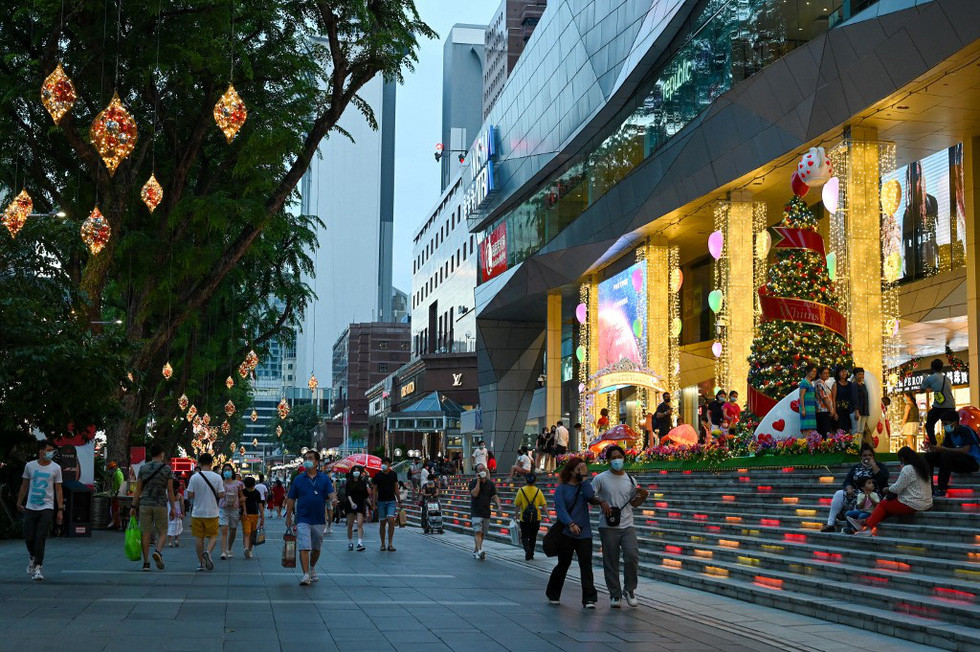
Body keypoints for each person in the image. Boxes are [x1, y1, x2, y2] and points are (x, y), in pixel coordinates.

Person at [593, 446, 646, 608]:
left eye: (619, 457)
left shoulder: (631, 480)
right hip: (608, 526)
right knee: (611, 561)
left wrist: (642, 497)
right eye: (613, 457)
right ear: (608, 460)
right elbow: (590, 495)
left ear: (624, 458)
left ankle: (629, 589)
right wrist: (602, 502)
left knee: (632, 555)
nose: (617, 460)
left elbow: (633, 503)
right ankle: (615, 594)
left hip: (627, 524)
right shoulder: (601, 478)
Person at [547, 457, 598, 608]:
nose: (580, 472)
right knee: (563, 563)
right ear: (570, 471)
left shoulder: (583, 487)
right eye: (578, 470)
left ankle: (589, 598)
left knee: (586, 564)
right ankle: (553, 593)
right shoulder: (561, 489)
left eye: (582, 469)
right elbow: (560, 509)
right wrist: (570, 523)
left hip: (584, 533)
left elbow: (590, 496)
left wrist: (584, 478)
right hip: (566, 532)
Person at [285, 449, 337, 585]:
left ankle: (312, 567)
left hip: (319, 519)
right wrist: (288, 516)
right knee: (304, 546)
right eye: (306, 458)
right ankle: (305, 574)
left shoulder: (324, 478)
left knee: (316, 548)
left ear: (317, 462)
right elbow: (291, 499)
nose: (307, 461)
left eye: (310, 458)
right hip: (302, 518)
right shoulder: (298, 479)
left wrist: (334, 500)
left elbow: (331, 493)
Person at [854, 446, 932, 536]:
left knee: (884, 504)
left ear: (902, 459)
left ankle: (867, 528)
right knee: (887, 506)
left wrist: (887, 489)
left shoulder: (908, 469)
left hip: (914, 503)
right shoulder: (921, 468)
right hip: (926, 503)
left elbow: (897, 488)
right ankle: (865, 521)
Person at [17, 440, 64, 581]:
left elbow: (58, 489)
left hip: (47, 507)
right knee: (29, 535)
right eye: (48, 450)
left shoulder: (56, 468)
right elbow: (24, 485)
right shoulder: (30, 466)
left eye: (52, 451)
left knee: (41, 537)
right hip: (31, 506)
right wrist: (19, 502)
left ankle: (38, 567)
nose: (50, 453)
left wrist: (60, 509)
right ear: (41, 451)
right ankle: (32, 556)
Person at [821, 444, 889, 532]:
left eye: (870, 455)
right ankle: (830, 524)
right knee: (839, 494)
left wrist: (874, 465)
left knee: (861, 504)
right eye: (864, 455)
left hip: (873, 495)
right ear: (861, 457)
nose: (867, 457)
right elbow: (847, 480)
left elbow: (883, 481)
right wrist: (849, 487)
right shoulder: (856, 468)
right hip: (857, 494)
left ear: (873, 456)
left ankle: (855, 525)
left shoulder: (879, 466)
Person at [132, 444, 177, 571]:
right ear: (162, 454)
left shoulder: (143, 468)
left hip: (145, 504)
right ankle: (157, 551)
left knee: (145, 533)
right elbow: (170, 490)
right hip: (160, 504)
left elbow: (138, 489)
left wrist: (133, 506)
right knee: (163, 531)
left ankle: (146, 563)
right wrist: (173, 508)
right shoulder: (167, 469)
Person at [924, 411, 980, 496]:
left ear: (955, 422)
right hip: (958, 461)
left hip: (972, 462)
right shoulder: (949, 433)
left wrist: (943, 449)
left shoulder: (966, 430)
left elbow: (965, 450)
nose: (944, 426)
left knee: (946, 455)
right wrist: (934, 449)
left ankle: (942, 488)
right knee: (929, 457)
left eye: (946, 423)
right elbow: (946, 448)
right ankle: (929, 488)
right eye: (943, 424)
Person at [186, 453, 225, 571]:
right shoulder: (217, 477)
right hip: (212, 512)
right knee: (213, 536)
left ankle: (201, 563)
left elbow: (190, 495)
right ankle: (208, 552)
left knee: (199, 538)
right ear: (211, 463)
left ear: (200, 463)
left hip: (197, 512)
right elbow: (221, 494)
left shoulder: (194, 477)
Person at [469, 463, 502, 560]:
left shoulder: (490, 484)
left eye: (484, 469)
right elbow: (474, 494)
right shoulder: (473, 483)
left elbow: (495, 496)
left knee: (482, 533)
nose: (482, 471)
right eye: (480, 469)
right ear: (476, 472)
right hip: (476, 511)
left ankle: (476, 550)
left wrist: (499, 506)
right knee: (478, 531)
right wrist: (478, 481)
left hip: (486, 512)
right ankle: (479, 550)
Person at [920, 358, 957, 445]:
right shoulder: (947, 378)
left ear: (931, 368)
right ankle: (950, 444)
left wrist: (925, 379)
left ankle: (933, 444)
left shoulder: (930, 378)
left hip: (939, 407)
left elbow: (921, 390)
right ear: (941, 368)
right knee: (949, 427)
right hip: (951, 405)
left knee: (929, 425)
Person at [514, 473, 546, 560]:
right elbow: (543, 504)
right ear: (535, 481)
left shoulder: (521, 490)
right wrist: (548, 516)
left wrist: (516, 515)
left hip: (524, 518)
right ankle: (531, 553)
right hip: (536, 518)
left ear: (525, 480)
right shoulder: (538, 491)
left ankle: (527, 550)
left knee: (524, 536)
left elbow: (517, 504)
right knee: (533, 537)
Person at [372, 457, 401, 552]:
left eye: (386, 463)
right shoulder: (378, 475)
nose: (384, 465)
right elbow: (374, 490)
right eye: (383, 463)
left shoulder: (393, 474)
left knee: (391, 519)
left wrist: (399, 500)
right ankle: (382, 544)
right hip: (381, 501)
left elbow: (396, 487)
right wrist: (373, 503)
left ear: (389, 465)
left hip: (391, 501)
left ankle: (390, 543)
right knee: (382, 523)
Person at [218, 464, 244, 560]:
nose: (227, 471)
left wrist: (243, 509)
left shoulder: (238, 483)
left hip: (235, 509)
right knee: (224, 529)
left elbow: (241, 496)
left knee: (233, 530)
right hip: (223, 508)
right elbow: (217, 495)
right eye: (225, 470)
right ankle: (223, 551)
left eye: (229, 470)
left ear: (232, 471)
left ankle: (229, 548)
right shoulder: (220, 483)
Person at [345, 465, 371, 551]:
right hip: (350, 504)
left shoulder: (362, 482)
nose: (356, 472)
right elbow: (347, 494)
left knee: (360, 524)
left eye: (358, 470)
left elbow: (365, 496)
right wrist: (352, 503)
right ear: (352, 472)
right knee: (350, 524)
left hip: (360, 504)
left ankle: (360, 543)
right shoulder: (349, 482)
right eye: (354, 470)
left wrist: (371, 505)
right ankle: (350, 542)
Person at [240, 476, 265, 559]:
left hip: (255, 515)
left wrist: (262, 515)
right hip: (245, 515)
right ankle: (246, 549)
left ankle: (249, 550)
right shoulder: (243, 492)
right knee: (247, 532)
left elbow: (260, 504)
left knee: (252, 534)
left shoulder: (257, 493)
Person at [814, 367, 836, 438]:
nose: (827, 375)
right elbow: (824, 397)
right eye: (825, 373)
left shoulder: (823, 383)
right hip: (822, 411)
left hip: (824, 411)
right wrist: (831, 408)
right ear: (820, 374)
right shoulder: (819, 383)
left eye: (828, 373)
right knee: (825, 432)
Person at [850, 367, 871, 441]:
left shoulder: (863, 385)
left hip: (864, 411)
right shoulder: (854, 385)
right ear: (855, 375)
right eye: (859, 374)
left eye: (862, 374)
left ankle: (858, 448)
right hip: (856, 411)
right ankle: (854, 448)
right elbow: (855, 398)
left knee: (861, 431)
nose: (861, 376)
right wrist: (856, 411)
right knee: (855, 430)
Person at [832, 368, 854, 433]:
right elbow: (833, 399)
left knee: (849, 430)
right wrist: (835, 412)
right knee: (840, 431)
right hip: (839, 411)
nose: (844, 373)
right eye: (841, 371)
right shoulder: (835, 384)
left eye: (845, 371)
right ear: (838, 373)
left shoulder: (850, 384)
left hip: (849, 410)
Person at [798, 365, 818, 433]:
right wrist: (803, 409)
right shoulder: (804, 382)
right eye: (813, 371)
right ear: (807, 372)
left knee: (811, 429)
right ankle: (804, 443)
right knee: (807, 429)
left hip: (811, 408)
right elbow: (801, 396)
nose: (814, 373)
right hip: (806, 408)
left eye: (815, 371)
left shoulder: (810, 383)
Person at [107, 461, 126, 529]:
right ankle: (116, 523)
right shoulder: (116, 473)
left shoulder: (118, 473)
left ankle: (116, 523)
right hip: (115, 494)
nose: (111, 470)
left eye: (111, 468)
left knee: (116, 509)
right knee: (114, 509)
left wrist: (116, 493)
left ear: (115, 467)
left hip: (117, 495)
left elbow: (120, 484)